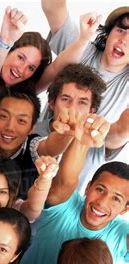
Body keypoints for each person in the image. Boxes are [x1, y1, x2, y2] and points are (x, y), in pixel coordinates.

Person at [20, 131, 128, 264]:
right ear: (88, 187)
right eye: (100, 189)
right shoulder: (66, 203)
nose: (101, 202)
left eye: (116, 199)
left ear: (125, 209)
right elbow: (66, 181)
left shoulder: (121, 234)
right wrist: (82, 139)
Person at [33, 63, 127, 192]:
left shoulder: (96, 135)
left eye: (82, 102)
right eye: (66, 99)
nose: (73, 108)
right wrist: (68, 133)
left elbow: (123, 128)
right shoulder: (33, 131)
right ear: (52, 103)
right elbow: (45, 148)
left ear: (92, 110)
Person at [0, 7, 103, 94]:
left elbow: (56, 67)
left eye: (31, 68)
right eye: (21, 58)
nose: (21, 69)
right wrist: (4, 41)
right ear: (9, 51)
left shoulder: (27, 93)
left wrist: (84, 38)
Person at [41, 2, 128, 124]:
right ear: (108, 34)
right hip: (39, 138)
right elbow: (52, 6)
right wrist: (83, 38)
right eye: (120, 30)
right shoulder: (81, 45)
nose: (123, 40)